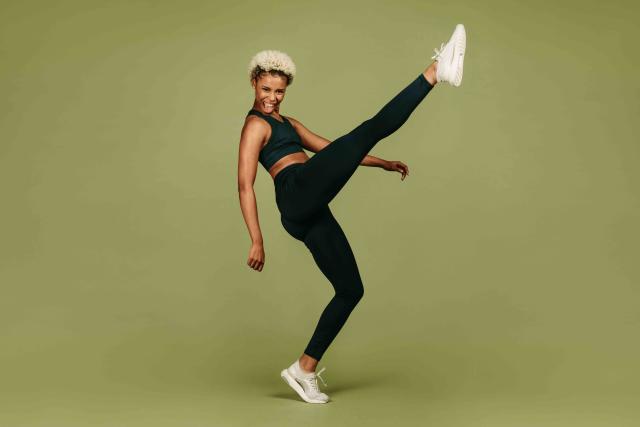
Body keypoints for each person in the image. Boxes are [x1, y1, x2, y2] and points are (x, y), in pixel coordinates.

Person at [237, 24, 467, 404]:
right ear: (253, 84)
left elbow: (331, 149)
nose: (272, 99)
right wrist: (256, 240)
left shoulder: (288, 123)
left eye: (279, 92)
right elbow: (245, 185)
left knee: (350, 290)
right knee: (369, 129)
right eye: (266, 90)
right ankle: (434, 71)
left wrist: (380, 164)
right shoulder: (254, 126)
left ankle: (303, 369)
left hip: (308, 210)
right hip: (295, 194)